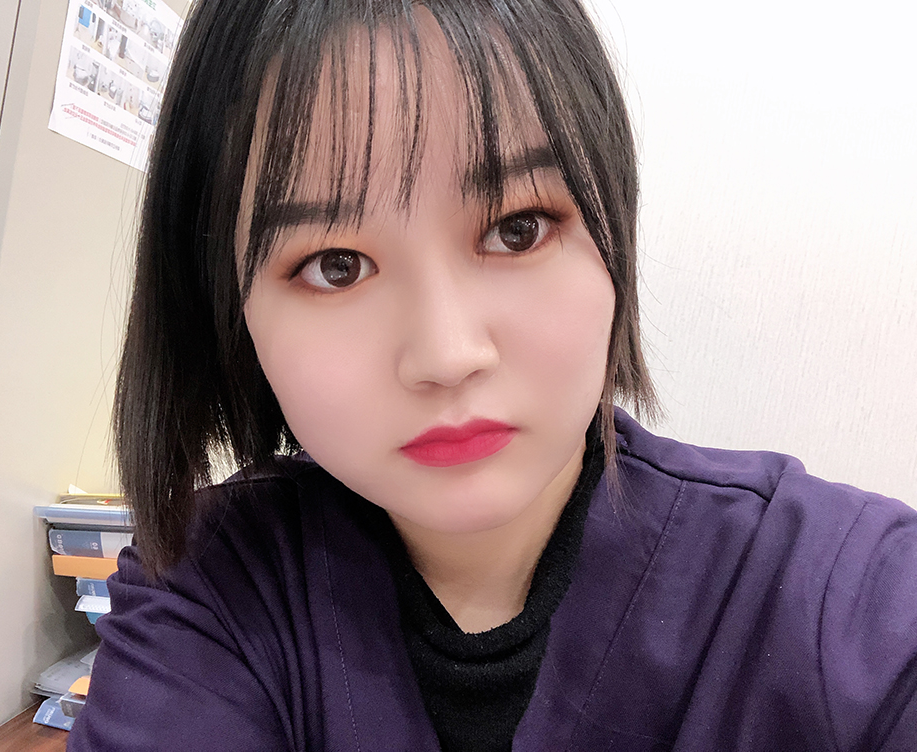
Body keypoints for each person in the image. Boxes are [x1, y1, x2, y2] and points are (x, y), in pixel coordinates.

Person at [67, 0, 917, 750]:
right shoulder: (206, 587)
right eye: (335, 265)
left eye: (517, 229)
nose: (447, 354)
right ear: (226, 308)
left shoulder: (845, 598)